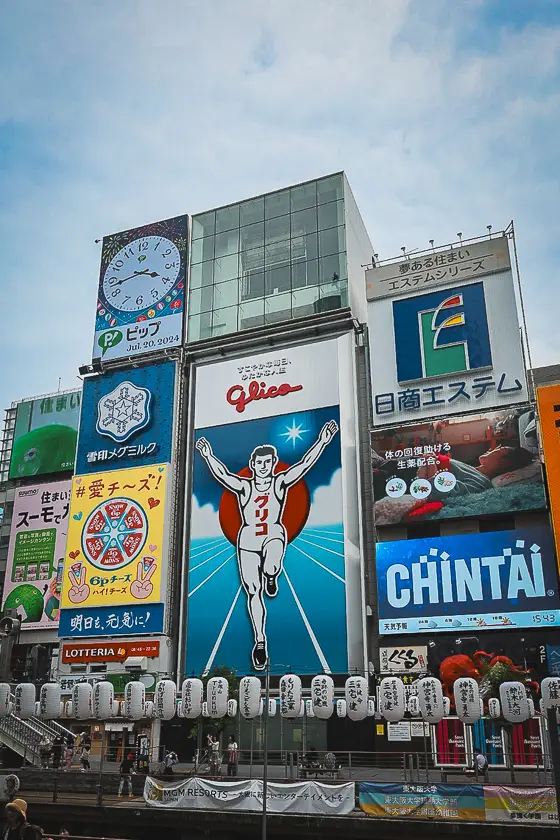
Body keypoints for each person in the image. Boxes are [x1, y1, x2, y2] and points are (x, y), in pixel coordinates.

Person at [195, 419, 339, 669]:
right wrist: (208, 456)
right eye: (259, 463)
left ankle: (272, 575)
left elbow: (304, 465)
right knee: (253, 591)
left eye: (268, 462)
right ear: (253, 465)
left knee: (271, 566)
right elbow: (223, 475)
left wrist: (322, 441)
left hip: (273, 532)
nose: (263, 466)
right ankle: (260, 641)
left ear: (273, 464)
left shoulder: (279, 482)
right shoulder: (244, 486)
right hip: (248, 539)